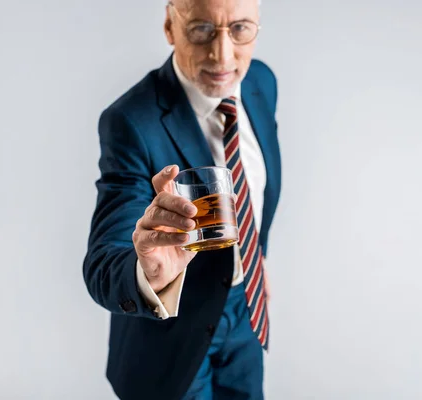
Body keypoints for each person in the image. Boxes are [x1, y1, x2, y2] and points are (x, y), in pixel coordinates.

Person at [82, 0, 281, 398]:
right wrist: (150, 273)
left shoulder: (261, 82)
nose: (223, 55)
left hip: (246, 312)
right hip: (170, 339)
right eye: (201, 30)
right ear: (171, 27)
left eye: (240, 29)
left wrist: (254, 257)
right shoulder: (129, 121)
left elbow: (255, 190)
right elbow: (104, 262)